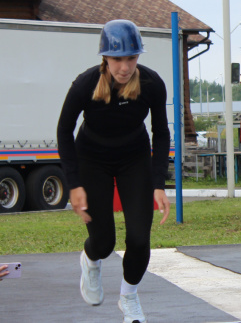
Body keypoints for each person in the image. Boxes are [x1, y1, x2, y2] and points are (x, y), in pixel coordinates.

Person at [57, 19, 171, 323]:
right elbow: (64, 131)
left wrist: (158, 182)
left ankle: (128, 298)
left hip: (134, 157)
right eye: (117, 59)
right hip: (92, 159)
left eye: (131, 58)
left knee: (138, 238)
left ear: (138, 56)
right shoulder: (85, 85)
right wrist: (74, 183)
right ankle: (90, 260)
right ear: (105, 57)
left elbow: (161, 133)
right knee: (104, 242)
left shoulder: (151, 84)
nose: (124, 66)